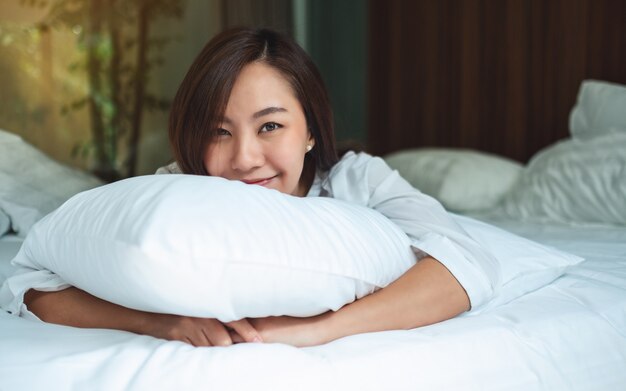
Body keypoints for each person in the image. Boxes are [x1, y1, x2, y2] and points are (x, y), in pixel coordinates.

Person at [4, 28, 500, 348]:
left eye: (269, 127)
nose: (243, 159)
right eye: (219, 132)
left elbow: (462, 264)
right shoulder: (178, 195)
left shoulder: (354, 179)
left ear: (309, 130)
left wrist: (317, 329)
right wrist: (161, 324)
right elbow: (32, 290)